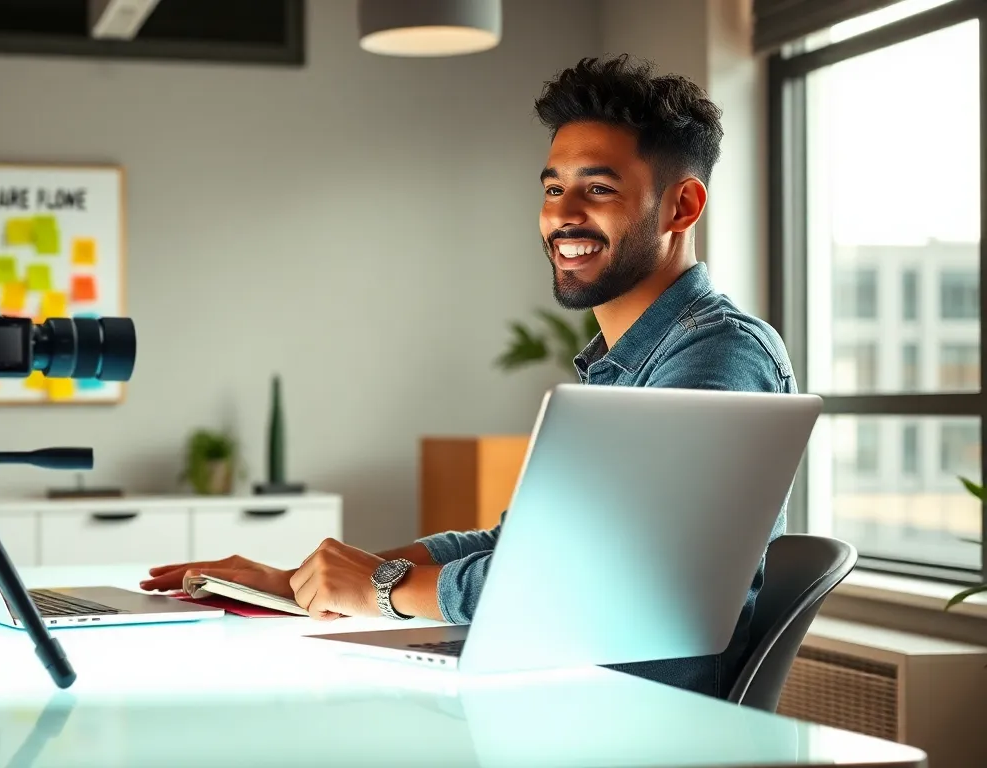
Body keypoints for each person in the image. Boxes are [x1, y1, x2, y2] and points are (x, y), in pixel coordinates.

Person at [140, 54, 797, 699]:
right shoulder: (623, 367)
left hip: (630, 720)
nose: (562, 214)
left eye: (597, 188)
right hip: (558, 694)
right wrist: (309, 581)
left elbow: (590, 585)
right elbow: (517, 549)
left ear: (682, 206)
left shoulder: (717, 359)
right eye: (551, 188)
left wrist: (379, 589)